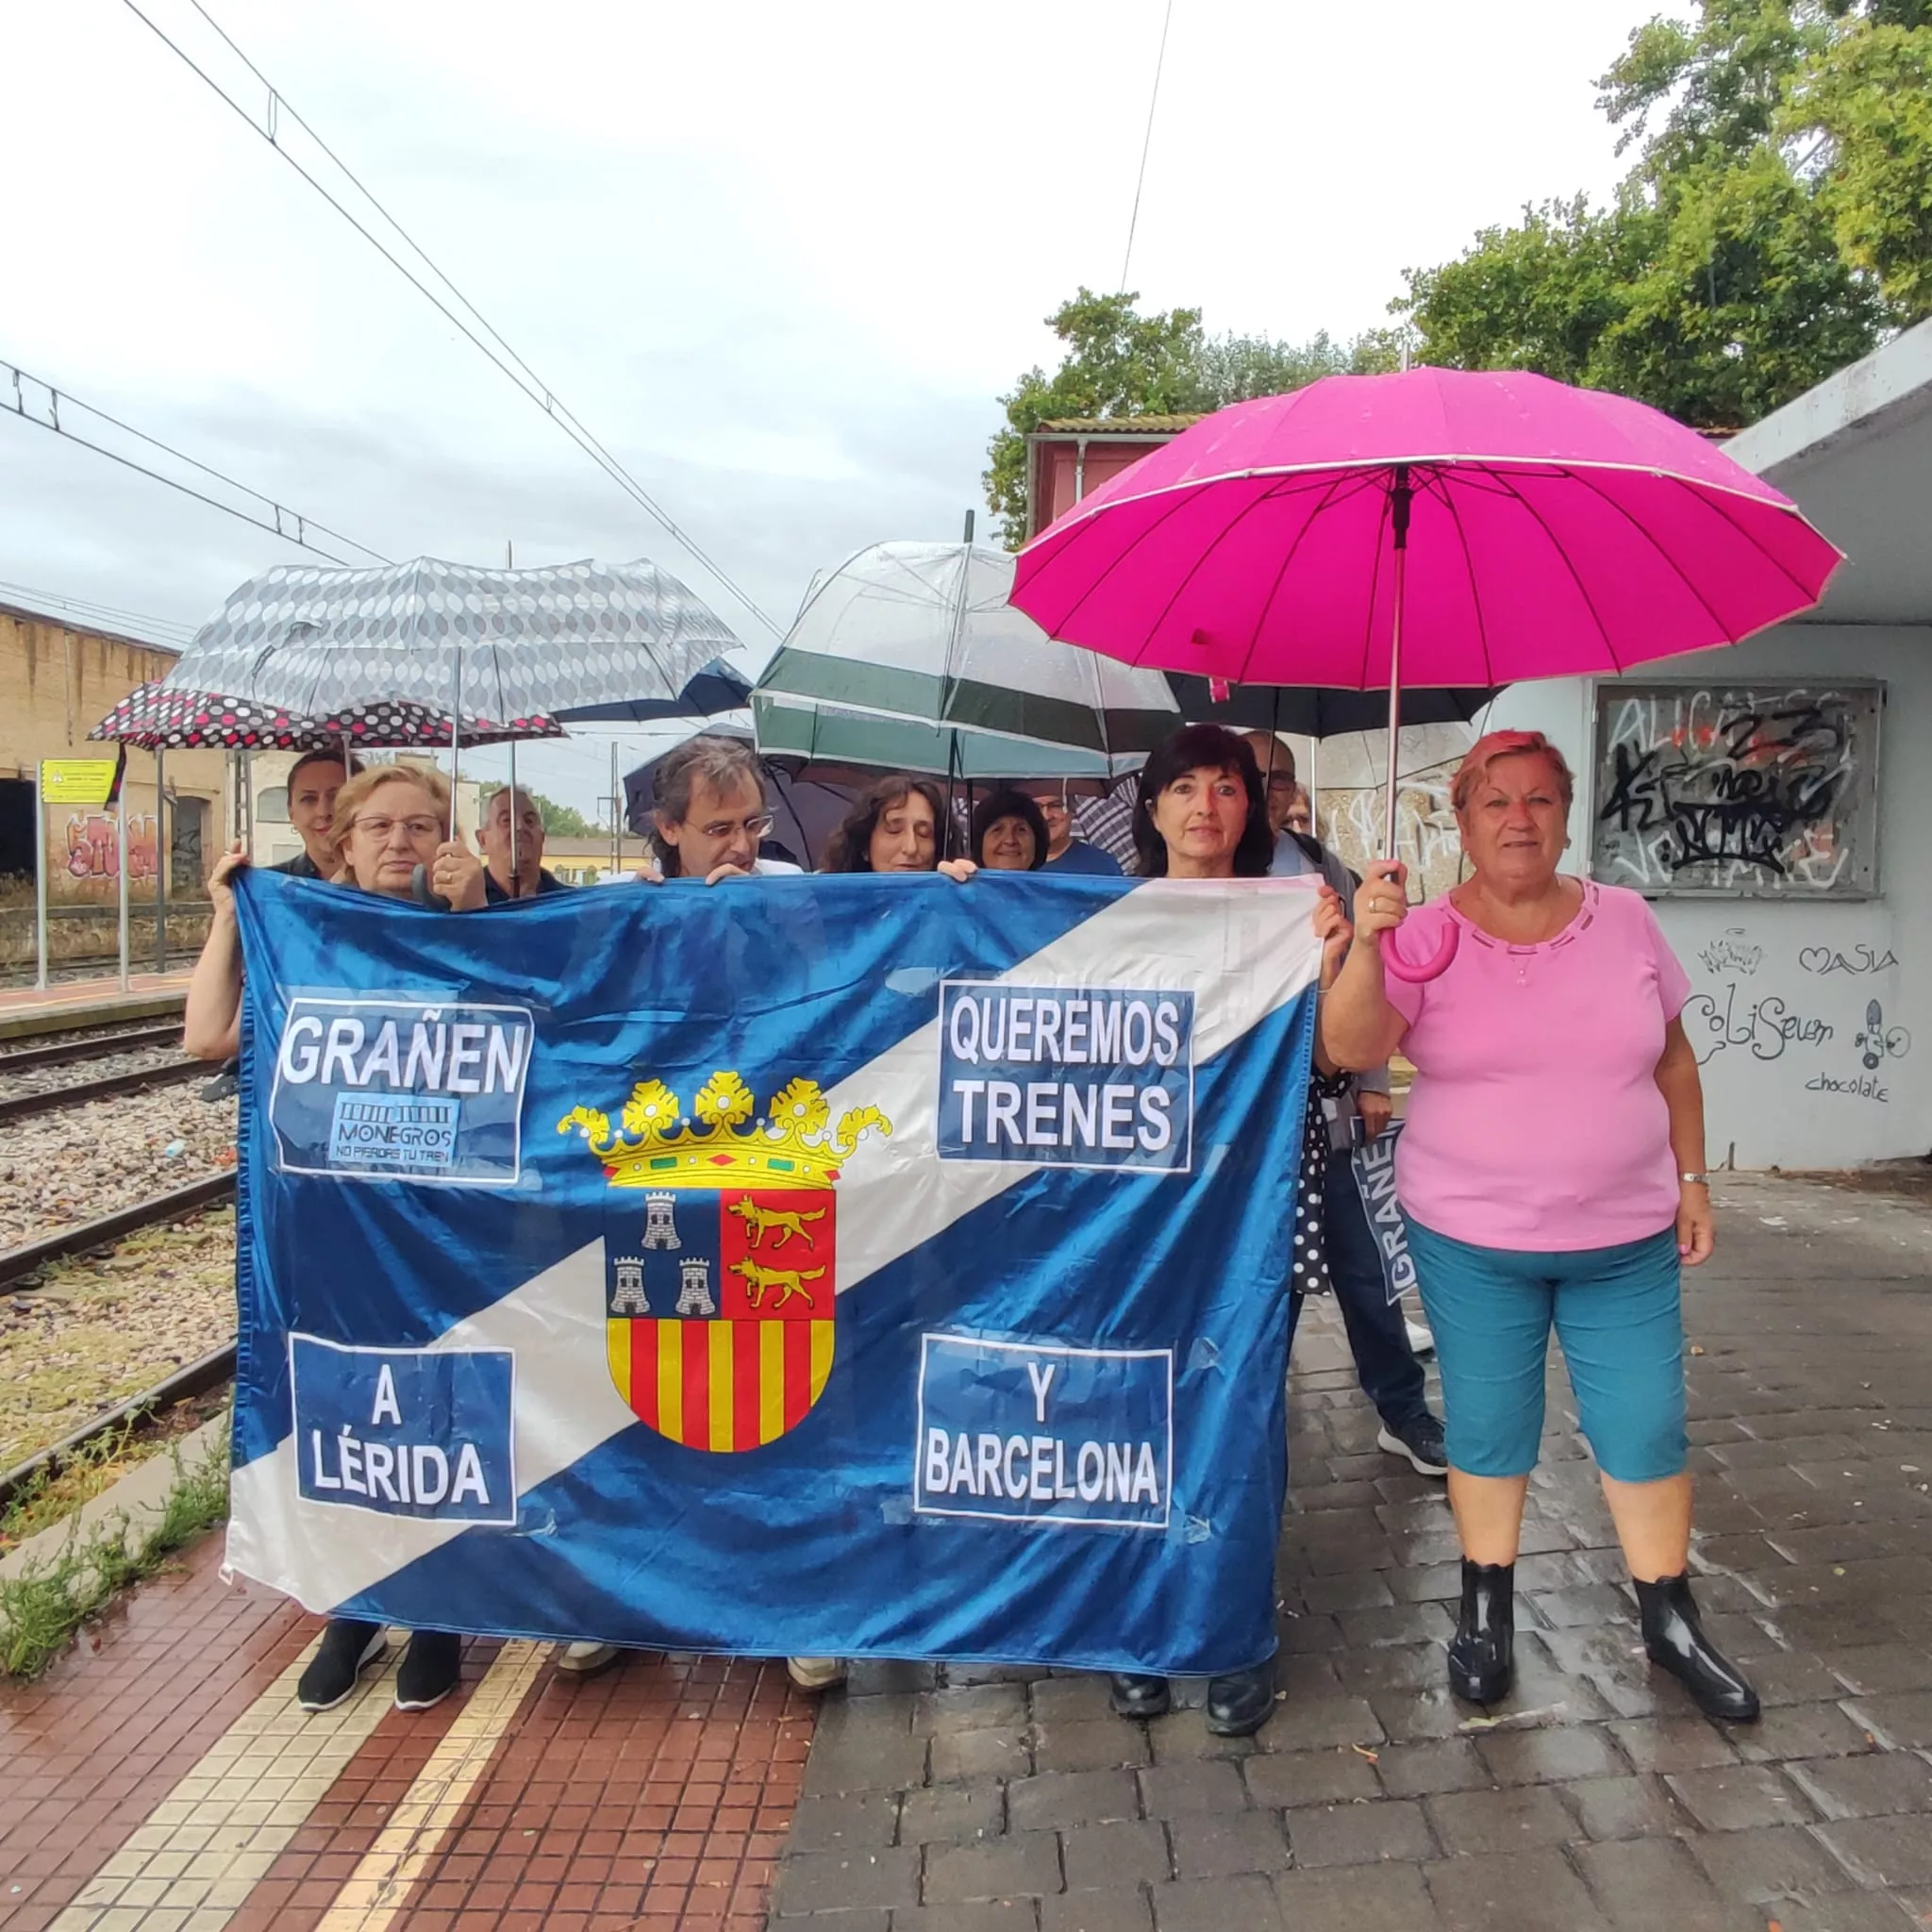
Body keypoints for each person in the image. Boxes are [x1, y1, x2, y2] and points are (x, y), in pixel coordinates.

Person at [1321, 729, 1757, 1722]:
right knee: (1486, 1427)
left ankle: (1668, 1616)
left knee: (1643, 1422)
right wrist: (1366, 941)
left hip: (1625, 1237)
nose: (1518, 819)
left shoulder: (1628, 920)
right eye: (1493, 802)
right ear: (1462, 821)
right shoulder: (1418, 932)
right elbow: (1349, 1047)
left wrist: (1692, 1178)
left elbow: (1674, 1062)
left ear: (1564, 814)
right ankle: (1484, 1611)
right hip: (1472, 1239)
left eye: (1538, 800)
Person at [184, 763, 488, 1716]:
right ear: (343, 841)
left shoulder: (466, 924)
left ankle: (435, 1606)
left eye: (422, 824)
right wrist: (233, 911)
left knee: (438, 1404)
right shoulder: (305, 932)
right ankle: (355, 1605)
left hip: (441, 1224)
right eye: (381, 825)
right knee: (344, 1407)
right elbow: (205, 1036)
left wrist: (477, 911)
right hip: (333, 1224)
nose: (400, 840)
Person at [1101, 723, 1343, 1740]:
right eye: (1184, 786)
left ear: (1254, 806)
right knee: (1125, 1417)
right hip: (1131, 1215)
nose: (1205, 803)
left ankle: (1232, 1627)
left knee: (1237, 1419)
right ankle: (1135, 1625)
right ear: (1151, 808)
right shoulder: (1096, 920)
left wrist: (1350, 948)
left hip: (1252, 1207)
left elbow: (1337, 1052)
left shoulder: (1293, 916)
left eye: (1227, 786)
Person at [1239, 732, 1445, 1480]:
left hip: (1329, 1112)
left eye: (1281, 778)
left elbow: (1374, 976)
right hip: (1241, 1126)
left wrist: (1373, 1084)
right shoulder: (1202, 880)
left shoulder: (1326, 871)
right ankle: (1247, 1429)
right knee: (1261, 1284)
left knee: (1368, 1269)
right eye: (1249, 777)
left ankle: (1404, 1412)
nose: (1268, 790)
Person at [201, 751, 359, 1102]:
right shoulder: (269, 891)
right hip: (293, 1085)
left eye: (336, 797)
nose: (323, 811)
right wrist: (228, 913)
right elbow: (206, 1035)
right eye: (308, 799)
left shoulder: (400, 890)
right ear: (291, 812)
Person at [648, 735, 804, 881]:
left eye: (753, 824)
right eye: (720, 830)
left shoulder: (788, 883)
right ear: (669, 828)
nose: (743, 848)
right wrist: (638, 906)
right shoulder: (634, 895)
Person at [820, 774, 974, 879]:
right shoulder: (824, 907)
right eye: (894, 830)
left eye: (924, 833)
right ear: (864, 845)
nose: (911, 847)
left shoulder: (951, 910)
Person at [477, 784, 570, 902]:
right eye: (507, 820)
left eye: (529, 821)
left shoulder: (568, 904)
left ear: (542, 838)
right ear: (483, 840)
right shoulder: (463, 905)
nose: (520, 827)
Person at [1018, 780, 1124, 876]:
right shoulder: (1011, 861)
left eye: (1056, 805)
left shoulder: (1100, 865)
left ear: (1072, 810)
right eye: (1037, 807)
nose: (1046, 816)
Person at [970, 790, 1048, 872]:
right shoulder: (960, 882)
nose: (1010, 841)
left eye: (1021, 830)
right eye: (997, 830)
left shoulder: (1056, 883)